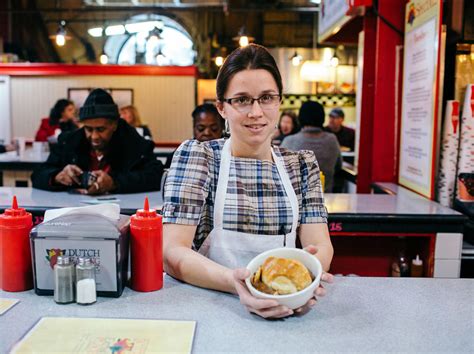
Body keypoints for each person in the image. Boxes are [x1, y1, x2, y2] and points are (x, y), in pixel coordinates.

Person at [162, 44, 333, 319]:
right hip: (207, 307)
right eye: (242, 100)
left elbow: (321, 244)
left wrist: (304, 285)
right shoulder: (200, 158)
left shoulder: (301, 165)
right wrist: (235, 282)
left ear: (279, 101)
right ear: (222, 108)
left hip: (284, 310)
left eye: (266, 98)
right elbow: (171, 251)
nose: (256, 112)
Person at [31, 89, 163, 194]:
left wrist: (115, 182)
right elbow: (37, 175)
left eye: (101, 129)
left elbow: (156, 176)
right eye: (88, 129)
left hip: (121, 212)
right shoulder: (69, 141)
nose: (94, 136)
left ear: (114, 125)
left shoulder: (133, 141)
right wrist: (56, 177)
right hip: (74, 212)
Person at [281, 101, 342, 192]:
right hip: (326, 198)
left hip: (296, 201)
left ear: (300, 118)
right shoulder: (332, 140)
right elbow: (338, 167)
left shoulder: (289, 141)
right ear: (322, 118)